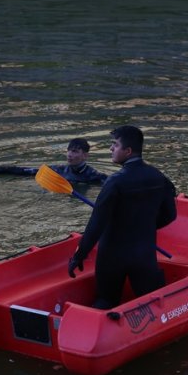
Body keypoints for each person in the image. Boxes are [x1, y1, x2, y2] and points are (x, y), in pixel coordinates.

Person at [67, 125, 177, 309]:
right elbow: (170, 215)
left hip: (112, 255)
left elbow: (96, 224)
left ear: (128, 151)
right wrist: (145, 227)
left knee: (106, 301)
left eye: (115, 145)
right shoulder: (159, 177)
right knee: (153, 302)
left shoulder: (115, 182)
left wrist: (79, 255)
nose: (111, 149)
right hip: (144, 254)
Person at [0, 138, 107, 185]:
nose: (69, 154)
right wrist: (4, 168)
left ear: (85, 156)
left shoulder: (94, 176)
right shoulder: (60, 170)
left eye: (74, 151)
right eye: (68, 150)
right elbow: (30, 171)